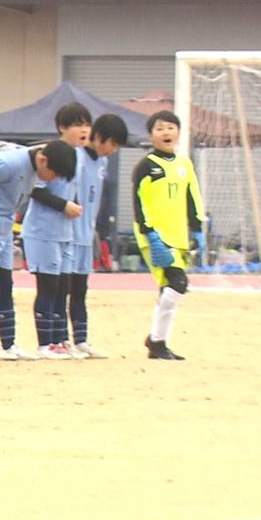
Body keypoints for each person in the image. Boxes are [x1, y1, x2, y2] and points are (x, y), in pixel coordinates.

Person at [0, 140, 77, 360]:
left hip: (5, 226)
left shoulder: (35, 169)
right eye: (53, 173)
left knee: (5, 284)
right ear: (43, 160)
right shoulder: (8, 164)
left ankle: (9, 343)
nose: (53, 179)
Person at [133, 110, 206, 360]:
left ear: (178, 132)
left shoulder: (184, 164)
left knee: (170, 288)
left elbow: (192, 197)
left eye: (170, 127)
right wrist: (150, 235)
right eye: (160, 128)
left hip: (178, 236)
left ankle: (157, 341)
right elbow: (138, 202)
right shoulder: (146, 166)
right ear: (151, 135)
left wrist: (197, 228)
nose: (166, 132)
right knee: (178, 283)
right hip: (154, 236)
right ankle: (156, 341)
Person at [23, 102, 90, 360]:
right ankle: (45, 343)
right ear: (62, 127)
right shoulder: (48, 153)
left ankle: (60, 339)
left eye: (86, 124)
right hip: (43, 231)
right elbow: (35, 189)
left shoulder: (83, 157)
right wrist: (64, 206)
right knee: (48, 287)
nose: (83, 130)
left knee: (64, 287)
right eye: (77, 125)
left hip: (66, 233)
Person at [61, 113, 128, 359]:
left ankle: (81, 340)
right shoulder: (74, 157)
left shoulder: (102, 162)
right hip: (68, 236)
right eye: (113, 144)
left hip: (86, 236)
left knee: (80, 290)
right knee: (62, 290)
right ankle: (60, 340)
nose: (114, 150)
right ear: (99, 137)